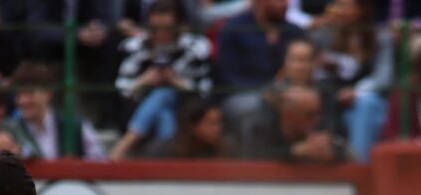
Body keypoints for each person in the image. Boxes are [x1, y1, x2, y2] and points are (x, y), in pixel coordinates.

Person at [109, 0, 212, 159]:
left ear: (180, 26)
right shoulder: (135, 46)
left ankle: (125, 144)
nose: (160, 33)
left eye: (167, 28)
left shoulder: (195, 48)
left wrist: (176, 82)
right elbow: (121, 88)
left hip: (184, 108)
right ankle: (168, 159)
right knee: (163, 110)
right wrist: (144, 81)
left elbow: (205, 91)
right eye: (155, 28)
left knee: (165, 93)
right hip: (138, 108)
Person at [310, 0, 394, 161]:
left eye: (345, 6)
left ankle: (358, 163)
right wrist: (313, 30)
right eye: (336, 5)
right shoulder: (323, 33)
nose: (338, 11)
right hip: (330, 94)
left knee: (366, 103)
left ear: (361, 9)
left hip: (364, 99)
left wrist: (357, 92)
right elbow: (312, 67)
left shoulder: (380, 36)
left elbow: (384, 77)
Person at [216, 0, 305, 125]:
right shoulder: (235, 29)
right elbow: (227, 76)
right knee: (255, 106)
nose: (285, 4)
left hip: (284, 91)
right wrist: (264, 93)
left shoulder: (294, 32)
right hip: (241, 94)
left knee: (305, 99)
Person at [9, 61, 108, 160]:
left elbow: (100, 162)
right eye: (18, 95)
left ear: (48, 93)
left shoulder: (76, 126)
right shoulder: (10, 130)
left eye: (30, 94)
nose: (22, 101)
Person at [239, 83, 350, 160]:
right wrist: (294, 152)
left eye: (318, 113)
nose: (317, 119)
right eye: (309, 115)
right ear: (288, 115)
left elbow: (345, 150)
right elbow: (252, 156)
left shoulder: (317, 123)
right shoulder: (259, 125)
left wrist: (332, 152)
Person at [146, 95, 234, 156]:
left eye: (219, 123)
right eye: (211, 124)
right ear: (193, 126)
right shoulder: (165, 150)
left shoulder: (227, 149)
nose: (218, 129)